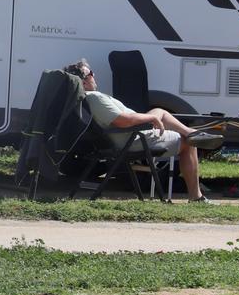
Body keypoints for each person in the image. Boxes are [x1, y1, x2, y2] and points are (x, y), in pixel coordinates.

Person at [64, 58, 218, 203]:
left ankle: (190, 132)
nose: (94, 75)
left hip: (129, 136)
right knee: (188, 143)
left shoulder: (87, 98)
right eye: (91, 73)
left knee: (160, 111)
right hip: (133, 139)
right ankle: (196, 195)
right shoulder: (95, 97)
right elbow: (124, 121)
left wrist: (149, 118)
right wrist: (150, 119)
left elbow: (122, 120)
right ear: (84, 81)